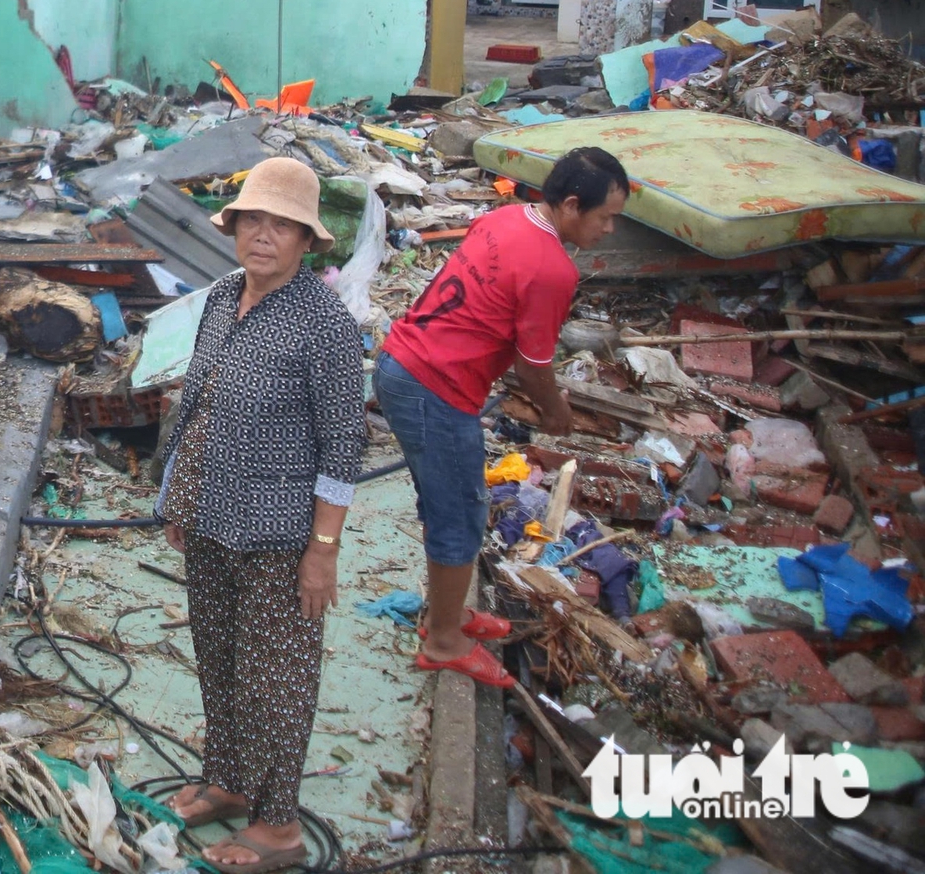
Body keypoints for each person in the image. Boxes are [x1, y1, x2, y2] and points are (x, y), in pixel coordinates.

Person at [157, 157, 365, 872]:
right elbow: (200, 401)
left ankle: (278, 826)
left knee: (276, 676)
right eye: (254, 219)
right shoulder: (220, 297)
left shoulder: (325, 324)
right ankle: (229, 781)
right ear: (235, 225)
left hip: (281, 535)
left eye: (283, 225)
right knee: (218, 657)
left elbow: (345, 445)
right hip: (211, 514)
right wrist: (180, 496)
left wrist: (324, 548)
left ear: (308, 241)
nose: (265, 235)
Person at [377, 146, 631, 689]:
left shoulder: (506, 217)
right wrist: (557, 411)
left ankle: (445, 616)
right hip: (435, 388)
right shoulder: (553, 269)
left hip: (401, 365)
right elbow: (534, 367)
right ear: (569, 205)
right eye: (606, 216)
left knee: (444, 503)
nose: (610, 229)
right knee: (462, 516)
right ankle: (444, 643)